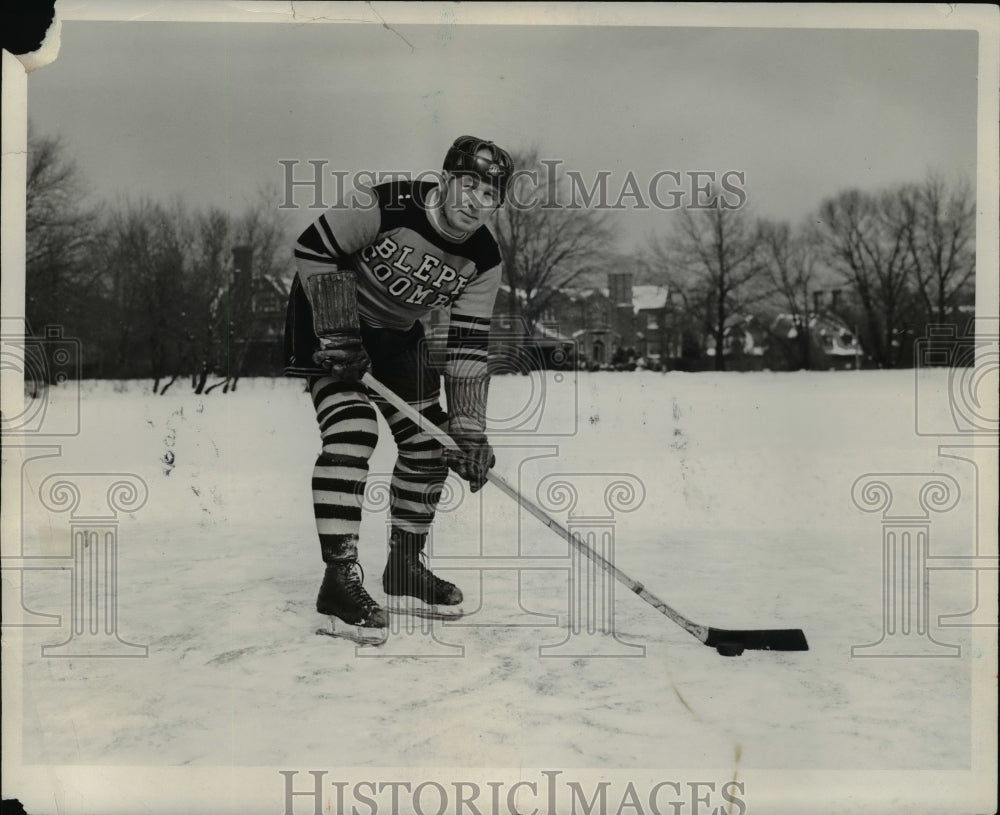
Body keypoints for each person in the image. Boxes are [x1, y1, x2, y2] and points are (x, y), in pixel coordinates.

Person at [284, 135, 513, 633]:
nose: (476, 201)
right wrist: (341, 333)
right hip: (329, 322)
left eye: (491, 193)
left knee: (434, 446)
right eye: (468, 184)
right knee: (353, 431)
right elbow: (312, 246)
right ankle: (338, 580)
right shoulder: (385, 205)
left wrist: (470, 430)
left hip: (395, 337)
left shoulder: (484, 260)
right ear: (447, 180)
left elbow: (468, 347)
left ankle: (404, 567)